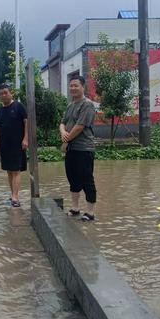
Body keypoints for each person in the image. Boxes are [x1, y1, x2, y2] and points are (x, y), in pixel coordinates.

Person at [60, 76, 97, 221]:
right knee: (72, 178)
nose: (73, 88)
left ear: (83, 87)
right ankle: (75, 208)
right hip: (71, 149)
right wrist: (63, 133)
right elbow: (62, 123)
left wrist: (65, 141)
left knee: (87, 179)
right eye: (71, 86)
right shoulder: (70, 105)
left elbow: (80, 126)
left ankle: (90, 212)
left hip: (84, 148)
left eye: (76, 86)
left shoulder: (87, 105)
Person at [0, 84, 28, 208]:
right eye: (1, 93)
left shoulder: (19, 107)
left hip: (18, 144)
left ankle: (16, 197)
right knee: (9, 170)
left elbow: (26, 122)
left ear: (11, 93)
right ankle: (12, 194)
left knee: (16, 170)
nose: (3, 95)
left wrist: (26, 138)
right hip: (4, 145)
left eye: (5, 92)